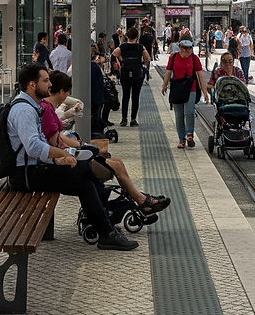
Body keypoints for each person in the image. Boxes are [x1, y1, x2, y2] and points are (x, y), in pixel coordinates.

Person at [7, 63, 137, 251]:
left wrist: (57, 158)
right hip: (25, 175)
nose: (49, 85)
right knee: (83, 170)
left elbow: (40, 144)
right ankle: (106, 224)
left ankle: (106, 230)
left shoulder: (30, 106)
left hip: (32, 169)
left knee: (84, 181)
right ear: (32, 85)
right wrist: (61, 155)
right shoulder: (24, 110)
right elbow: (33, 146)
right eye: (45, 81)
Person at [43, 71, 169, 217]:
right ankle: (141, 201)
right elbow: (54, 142)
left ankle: (140, 199)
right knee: (115, 165)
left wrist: (84, 145)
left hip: (70, 154)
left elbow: (59, 138)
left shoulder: (48, 108)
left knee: (117, 162)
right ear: (62, 91)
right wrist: (84, 148)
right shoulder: (47, 110)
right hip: (67, 160)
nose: (67, 96)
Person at [161, 37, 209, 149]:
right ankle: (181, 139)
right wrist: (164, 85)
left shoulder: (194, 58)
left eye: (189, 48)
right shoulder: (173, 57)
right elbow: (168, 72)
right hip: (177, 88)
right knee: (179, 115)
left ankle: (189, 135)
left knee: (189, 112)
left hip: (190, 88)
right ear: (179, 47)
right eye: (184, 48)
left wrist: (205, 92)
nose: (186, 51)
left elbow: (200, 75)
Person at [114, 26, 150, 127]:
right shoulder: (140, 47)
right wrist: (143, 63)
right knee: (135, 97)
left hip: (125, 74)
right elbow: (148, 58)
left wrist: (121, 60)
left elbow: (114, 53)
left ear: (127, 36)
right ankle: (133, 119)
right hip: (137, 75)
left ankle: (124, 119)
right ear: (137, 36)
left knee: (125, 96)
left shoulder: (123, 46)